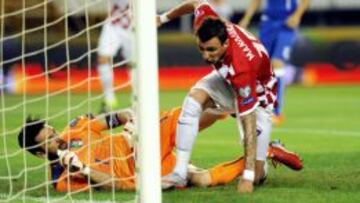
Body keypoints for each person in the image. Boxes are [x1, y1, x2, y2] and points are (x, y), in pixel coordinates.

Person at [18, 107, 302, 192]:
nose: (59, 138)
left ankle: (237, 110)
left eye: (53, 132)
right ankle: (263, 152)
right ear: (41, 153)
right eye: (52, 140)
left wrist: (130, 119)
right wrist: (85, 169)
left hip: (141, 142)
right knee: (200, 179)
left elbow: (114, 118)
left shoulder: (75, 130)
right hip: (141, 175)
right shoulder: (62, 180)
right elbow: (114, 185)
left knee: (183, 116)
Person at [157, 0, 277, 193]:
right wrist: (162, 18)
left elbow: (248, 119)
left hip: (259, 96)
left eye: (211, 50)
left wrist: (246, 177)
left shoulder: (242, 66)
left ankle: (270, 152)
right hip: (227, 80)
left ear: (226, 44)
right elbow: (196, 3)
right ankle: (179, 172)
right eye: (201, 48)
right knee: (194, 100)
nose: (205, 56)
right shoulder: (206, 21)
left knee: (257, 175)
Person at [239, 0, 310, 124]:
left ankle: (277, 112)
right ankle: (258, 106)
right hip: (268, 23)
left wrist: (297, 15)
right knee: (262, 65)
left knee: (277, 62)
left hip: (287, 24)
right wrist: (246, 18)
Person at [97, 0, 132, 112]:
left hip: (134, 26)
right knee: (103, 59)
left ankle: (137, 97)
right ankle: (109, 99)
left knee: (134, 64)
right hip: (114, 24)